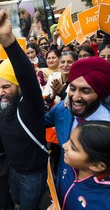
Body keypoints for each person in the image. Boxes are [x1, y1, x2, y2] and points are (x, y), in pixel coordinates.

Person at [0, 2, 48, 209]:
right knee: (17, 203)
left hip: (33, 175)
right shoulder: (2, 108)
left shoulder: (31, 107)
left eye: (7, 86)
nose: (1, 91)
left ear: (19, 87)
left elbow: (27, 77)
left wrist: (7, 41)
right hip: (12, 171)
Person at [45, 57, 110, 186]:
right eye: (73, 88)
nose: (75, 97)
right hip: (63, 186)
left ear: (100, 93)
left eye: (85, 91)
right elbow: (39, 122)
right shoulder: (63, 109)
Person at [47, 121, 110, 210]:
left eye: (73, 147)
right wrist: (55, 204)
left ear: (96, 165)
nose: (64, 145)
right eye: (69, 140)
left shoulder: (105, 201)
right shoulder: (69, 164)